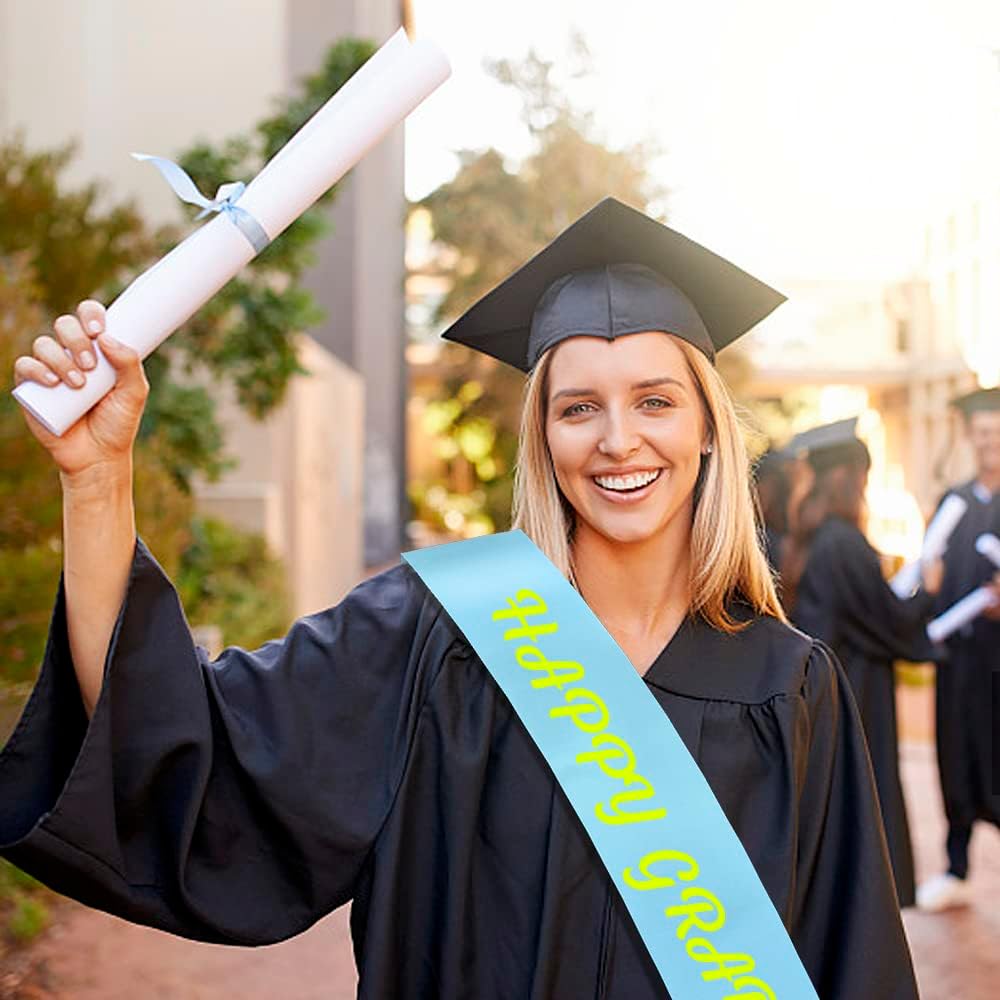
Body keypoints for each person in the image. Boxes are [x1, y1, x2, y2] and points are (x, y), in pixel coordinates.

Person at [1, 199, 918, 998]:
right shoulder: (440, 631)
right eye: (577, 408)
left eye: (655, 401)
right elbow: (181, 746)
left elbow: (852, 962)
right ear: (544, 439)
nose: (618, 441)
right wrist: (98, 482)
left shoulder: (789, 685)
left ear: (709, 429)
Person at [781, 418, 941, 909]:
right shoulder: (842, 542)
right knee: (865, 796)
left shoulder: (807, 539)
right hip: (857, 688)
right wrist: (927, 592)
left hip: (829, 683)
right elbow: (884, 616)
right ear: (850, 479)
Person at [917, 387, 1000, 912]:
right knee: (956, 752)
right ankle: (957, 866)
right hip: (959, 658)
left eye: (996, 432)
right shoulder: (955, 502)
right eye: (981, 433)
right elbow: (930, 571)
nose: (988, 441)